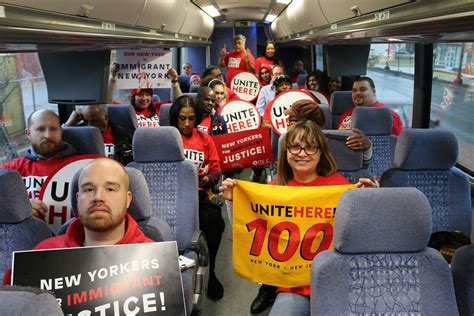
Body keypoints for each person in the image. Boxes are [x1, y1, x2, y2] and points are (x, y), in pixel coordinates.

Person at [219, 120, 375, 315]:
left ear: (321, 153)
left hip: (335, 279)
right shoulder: (275, 189)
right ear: (285, 152)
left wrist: (371, 200)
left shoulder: (339, 186)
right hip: (292, 284)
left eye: (310, 147)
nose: (302, 153)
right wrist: (234, 202)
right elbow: (251, 234)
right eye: (294, 147)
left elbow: (359, 235)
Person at [2, 158, 154, 285]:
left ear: (128, 199)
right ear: (77, 199)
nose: (98, 197)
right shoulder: (42, 255)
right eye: (88, 189)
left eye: (110, 189)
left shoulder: (155, 258)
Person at [169, 95, 225, 300]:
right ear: (175, 118)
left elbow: (216, 170)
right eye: (182, 118)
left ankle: (212, 271)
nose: (186, 123)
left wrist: (207, 179)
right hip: (171, 194)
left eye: (191, 118)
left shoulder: (204, 139)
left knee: (215, 221)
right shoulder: (167, 138)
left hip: (198, 193)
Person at [0, 109, 79, 220]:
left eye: (53, 129)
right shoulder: (13, 169)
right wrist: (17, 206)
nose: (48, 135)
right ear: (28, 134)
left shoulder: (80, 166)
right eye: (41, 129)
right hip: (27, 234)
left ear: (61, 131)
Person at [284, 99, 372, 166]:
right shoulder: (284, 142)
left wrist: (366, 148)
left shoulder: (342, 143)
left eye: (292, 121)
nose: (287, 125)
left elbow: (361, 168)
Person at [64, 104, 135, 165]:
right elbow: (59, 147)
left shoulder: (127, 136)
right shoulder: (77, 135)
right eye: (86, 121)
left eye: (94, 121)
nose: (89, 125)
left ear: (106, 118)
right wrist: (68, 125)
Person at [337, 76, 403, 136]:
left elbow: (394, 143)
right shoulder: (346, 115)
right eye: (354, 91)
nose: (357, 93)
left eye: (363, 89)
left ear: (373, 92)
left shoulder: (388, 115)